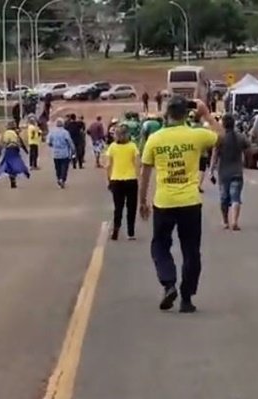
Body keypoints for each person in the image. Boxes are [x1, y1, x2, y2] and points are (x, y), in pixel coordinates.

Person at [139, 96, 224, 313]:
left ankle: (168, 283)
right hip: (190, 201)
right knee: (191, 251)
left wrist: (142, 202)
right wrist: (205, 113)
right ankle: (187, 297)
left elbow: (145, 174)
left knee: (160, 245)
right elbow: (222, 136)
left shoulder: (155, 139)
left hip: (164, 201)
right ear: (186, 115)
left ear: (166, 114)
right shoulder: (196, 136)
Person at [209, 114, 250, 230]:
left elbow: (214, 156)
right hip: (237, 172)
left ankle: (225, 221)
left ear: (223, 124)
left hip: (223, 173)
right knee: (236, 197)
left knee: (224, 198)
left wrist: (211, 171)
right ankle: (235, 221)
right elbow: (249, 149)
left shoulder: (219, 138)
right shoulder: (241, 137)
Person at [106, 125, 140, 241]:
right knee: (131, 207)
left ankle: (116, 228)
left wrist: (109, 179)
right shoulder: (132, 146)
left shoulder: (112, 147)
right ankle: (131, 232)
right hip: (131, 179)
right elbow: (137, 163)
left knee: (118, 207)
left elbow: (108, 165)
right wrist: (138, 177)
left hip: (116, 179)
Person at [0, 120, 30, 189]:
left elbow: (1, 144)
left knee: (8, 165)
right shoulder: (15, 133)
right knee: (18, 162)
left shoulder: (5, 133)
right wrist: (26, 150)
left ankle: (11, 179)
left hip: (8, 150)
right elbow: (21, 142)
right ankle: (24, 171)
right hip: (15, 150)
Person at [47, 118, 75, 189]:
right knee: (64, 167)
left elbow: (49, 142)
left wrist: (52, 145)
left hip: (55, 153)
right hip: (64, 153)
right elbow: (69, 142)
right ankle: (62, 179)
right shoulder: (65, 132)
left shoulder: (52, 132)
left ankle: (59, 178)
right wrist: (73, 150)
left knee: (57, 167)